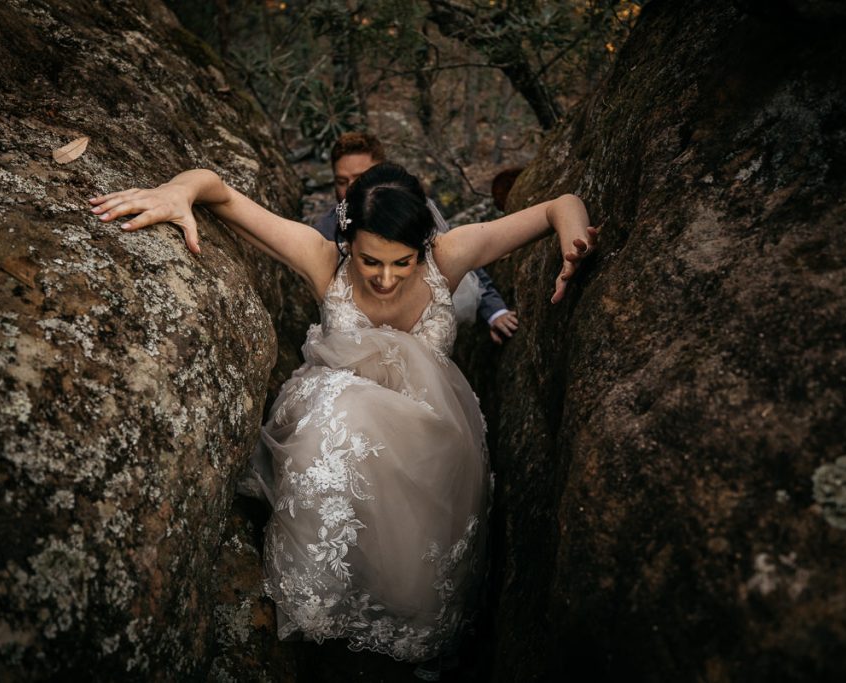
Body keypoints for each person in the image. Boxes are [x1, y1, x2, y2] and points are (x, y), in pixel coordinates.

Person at [88, 163, 596, 676]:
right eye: (370, 260)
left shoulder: (451, 255)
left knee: (411, 575)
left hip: (426, 438)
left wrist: (573, 240)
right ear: (347, 239)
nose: (385, 278)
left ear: (425, 246)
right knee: (338, 405)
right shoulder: (321, 258)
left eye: (403, 262)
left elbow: (562, 204)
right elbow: (217, 190)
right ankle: (320, 619)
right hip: (333, 431)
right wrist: (178, 193)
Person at [315, 132, 520, 344]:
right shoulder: (324, 229)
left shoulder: (414, 213)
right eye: (341, 181)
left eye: (360, 178)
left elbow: (461, 255)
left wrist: (494, 310)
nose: (350, 188)